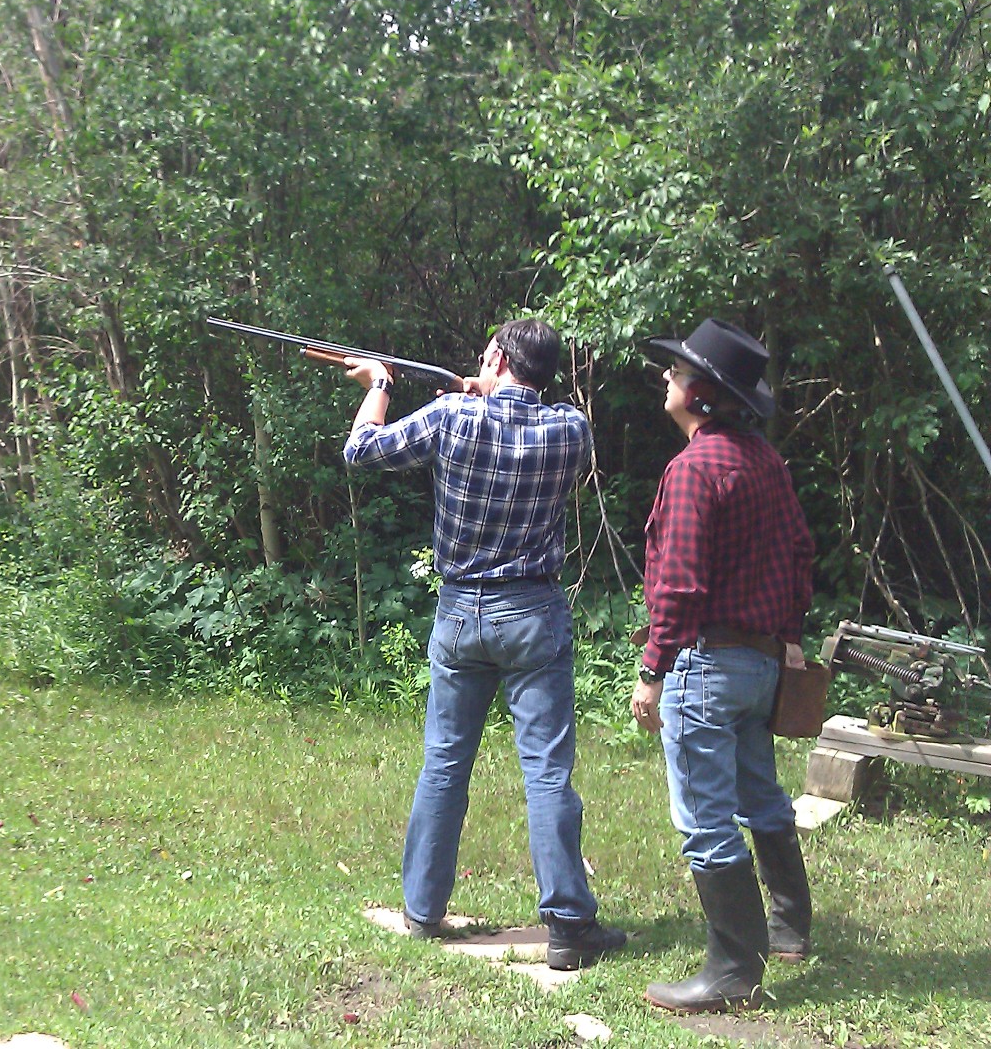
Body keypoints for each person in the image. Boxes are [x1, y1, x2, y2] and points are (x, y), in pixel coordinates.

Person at [342, 318, 626, 971]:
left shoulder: (451, 417)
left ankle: (422, 909)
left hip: (460, 613)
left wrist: (379, 385)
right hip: (533, 612)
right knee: (547, 771)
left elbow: (361, 451)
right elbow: (529, 416)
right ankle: (568, 926)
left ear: (497, 357)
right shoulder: (571, 430)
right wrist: (486, 390)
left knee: (445, 762)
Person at [632, 318, 815, 1013]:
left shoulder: (694, 469)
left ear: (702, 396)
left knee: (705, 819)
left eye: (678, 373)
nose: (667, 377)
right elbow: (800, 554)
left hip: (705, 667)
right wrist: (788, 637)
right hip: (759, 665)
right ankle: (790, 928)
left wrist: (653, 670)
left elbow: (679, 586)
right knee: (761, 795)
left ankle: (735, 972)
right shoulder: (766, 462)